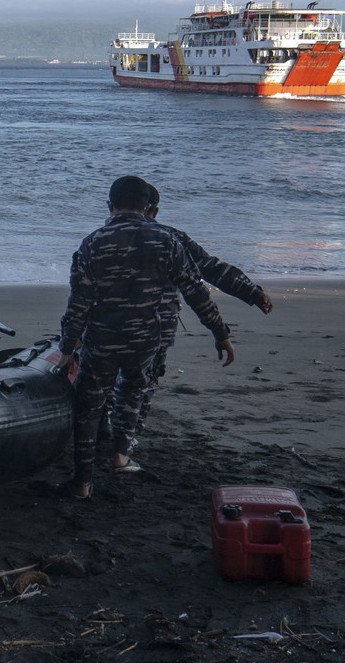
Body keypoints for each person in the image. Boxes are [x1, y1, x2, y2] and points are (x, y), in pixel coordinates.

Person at [56, 176, 235, 500]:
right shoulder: (166, 241)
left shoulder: (93, 242)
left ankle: (82, 484)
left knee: (89, 408)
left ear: (110, 206)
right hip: (146, 341)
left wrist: (68, 347)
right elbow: (196, 290)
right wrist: (220, 332)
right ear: (148, 207)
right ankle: (121, 457)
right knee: (132, 392)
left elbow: (79, 302)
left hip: (102, 341)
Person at [104, 180, 274, 446]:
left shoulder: (102, 237)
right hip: (155, 326)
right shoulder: (172, 239)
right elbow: (210, 270)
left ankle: (106, 429)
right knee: (143, 381)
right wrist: (251, 293)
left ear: (112, 206)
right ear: (154, 211)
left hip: (106, 324)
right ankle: (125, 443)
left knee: (108, 378)